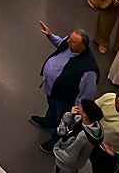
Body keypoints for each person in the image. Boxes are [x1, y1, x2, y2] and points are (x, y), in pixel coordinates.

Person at [32, 24, 99, 153]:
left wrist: (78, 111)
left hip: (66, 100)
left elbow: (87, 93)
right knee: (52, 108)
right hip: (53, 91)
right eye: (69, 39)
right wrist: (50, 36)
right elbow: (61, 42)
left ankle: (54, 143)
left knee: (62, 121)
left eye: (72, 41)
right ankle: (48, 121)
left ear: (83, 47)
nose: (68, 41)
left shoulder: (88, 69)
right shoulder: (70, 44)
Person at [53, 100, 105, 173]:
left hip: (66, 165)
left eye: (81, 107)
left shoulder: (82, 137)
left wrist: (56, 150)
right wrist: (70, 115)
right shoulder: (92, 126)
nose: (78, 106)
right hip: (74, 165)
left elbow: (69, 157)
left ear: (85, 115)